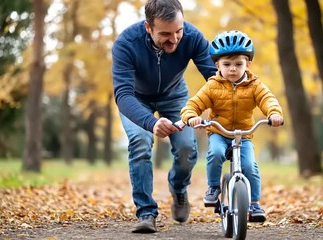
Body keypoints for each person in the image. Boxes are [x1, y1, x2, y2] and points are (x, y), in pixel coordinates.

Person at [111, 0, 217, 234]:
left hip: (175, 96)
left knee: (187, 148)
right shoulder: (126, 44)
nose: (175, 39)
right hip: (136, 100)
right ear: (148, 27)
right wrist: (151, 122)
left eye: (179, 31)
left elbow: (214, 77)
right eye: (166, 34)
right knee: (140, 142)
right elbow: (123, 94)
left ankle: (178, 189)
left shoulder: (192, 37)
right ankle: (146, 212)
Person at [180, 30, 284, 222]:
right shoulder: (212, 86)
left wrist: (274, 113)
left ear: (248, 64)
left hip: (244, 134)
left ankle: (254, 204)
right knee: (216, 153)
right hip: (219, 132)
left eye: (238, 64)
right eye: (227, 65)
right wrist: (191, 116)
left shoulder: (254, 85)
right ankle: (213, 188)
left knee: (249, 166)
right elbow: (193, 104)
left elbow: (267, 99)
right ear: (217, 65)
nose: (233, 69)